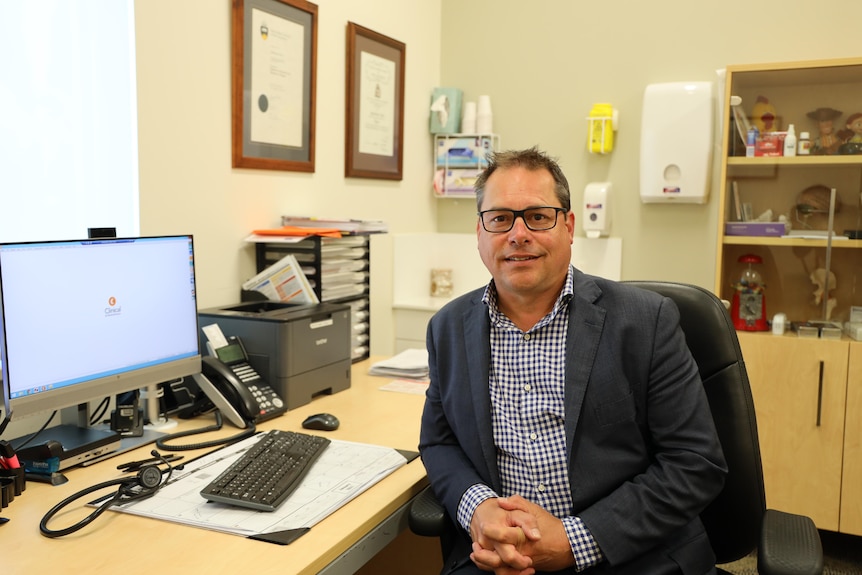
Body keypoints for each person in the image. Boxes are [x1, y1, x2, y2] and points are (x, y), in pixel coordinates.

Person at [418, 147, 727, 574]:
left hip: (629, 556)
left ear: (568, 226)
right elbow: (440, 442)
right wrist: (479, 507)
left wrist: (573, 541)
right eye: (500, 218)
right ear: (479, 231)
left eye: (539, 217)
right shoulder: (447, 329)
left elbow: (695, 463)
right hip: (499, 558)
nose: (518, 234)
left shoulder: (645, 321)